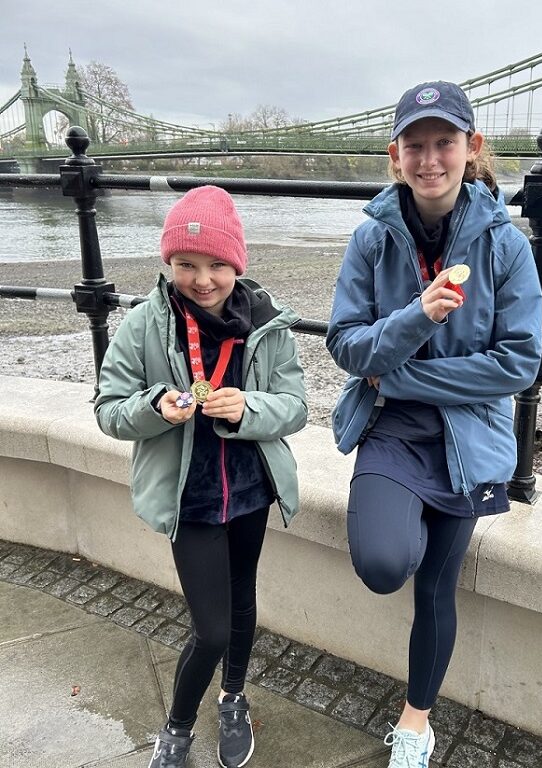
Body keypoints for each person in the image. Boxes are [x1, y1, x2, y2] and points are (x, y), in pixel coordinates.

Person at [326, 81, 542, 768]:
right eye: (414, 145)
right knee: (385, 563)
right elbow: (346, 345)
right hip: (392, 429)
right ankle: (407, 511)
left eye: (443, 142)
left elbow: (518, 363)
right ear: (395, 157)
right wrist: (419, 314)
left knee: (436, 589)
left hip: (470, 436)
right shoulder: (370, 239)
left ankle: (416, 722)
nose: (429, 159)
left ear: (470, 148)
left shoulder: (505, 246)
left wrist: (404, 374)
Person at [94, 185, 307, 768]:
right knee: (210, 629)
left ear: (237, 263)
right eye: (186, 265)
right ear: (168, 264)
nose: (203, 279)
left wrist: (249, 409)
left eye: (217, 264)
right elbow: (107, 409)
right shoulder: (142, 324)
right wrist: (153, 405)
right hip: (191, 500)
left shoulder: (266, 324)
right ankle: (177, 726)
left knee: (243, 605)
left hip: (250, 491)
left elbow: (295, 406)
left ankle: (233, 698)